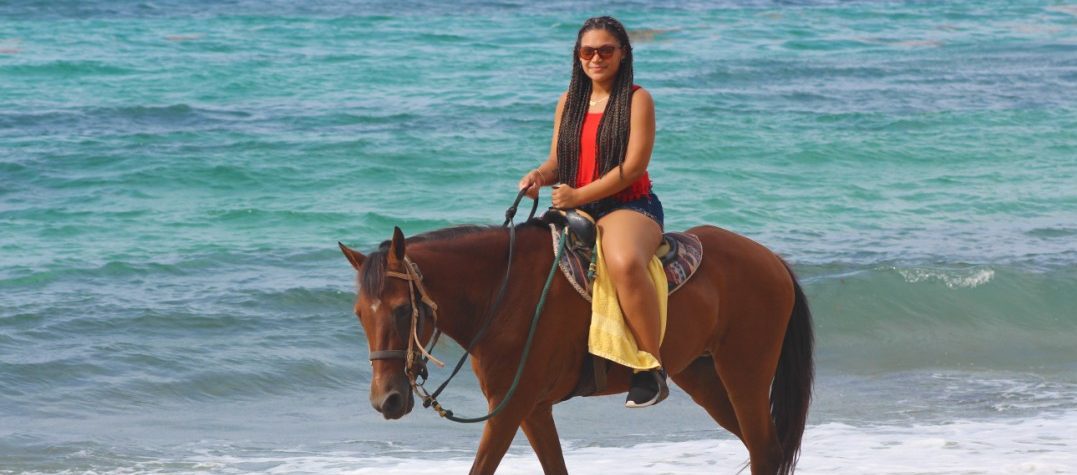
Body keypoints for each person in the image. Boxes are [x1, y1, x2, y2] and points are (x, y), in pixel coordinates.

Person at [517, 16, 668, 408]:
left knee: (623, 263)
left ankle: (650, 367)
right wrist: (538, 175)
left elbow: (632, 168)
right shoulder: (568, 101)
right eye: (587, 51)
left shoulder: (637, 99)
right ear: (577, 56)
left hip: (629, 205)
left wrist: (578, 195)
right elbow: (558, 160)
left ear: (622, 54)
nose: (595, 58)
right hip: (576, 203)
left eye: (605, 50)